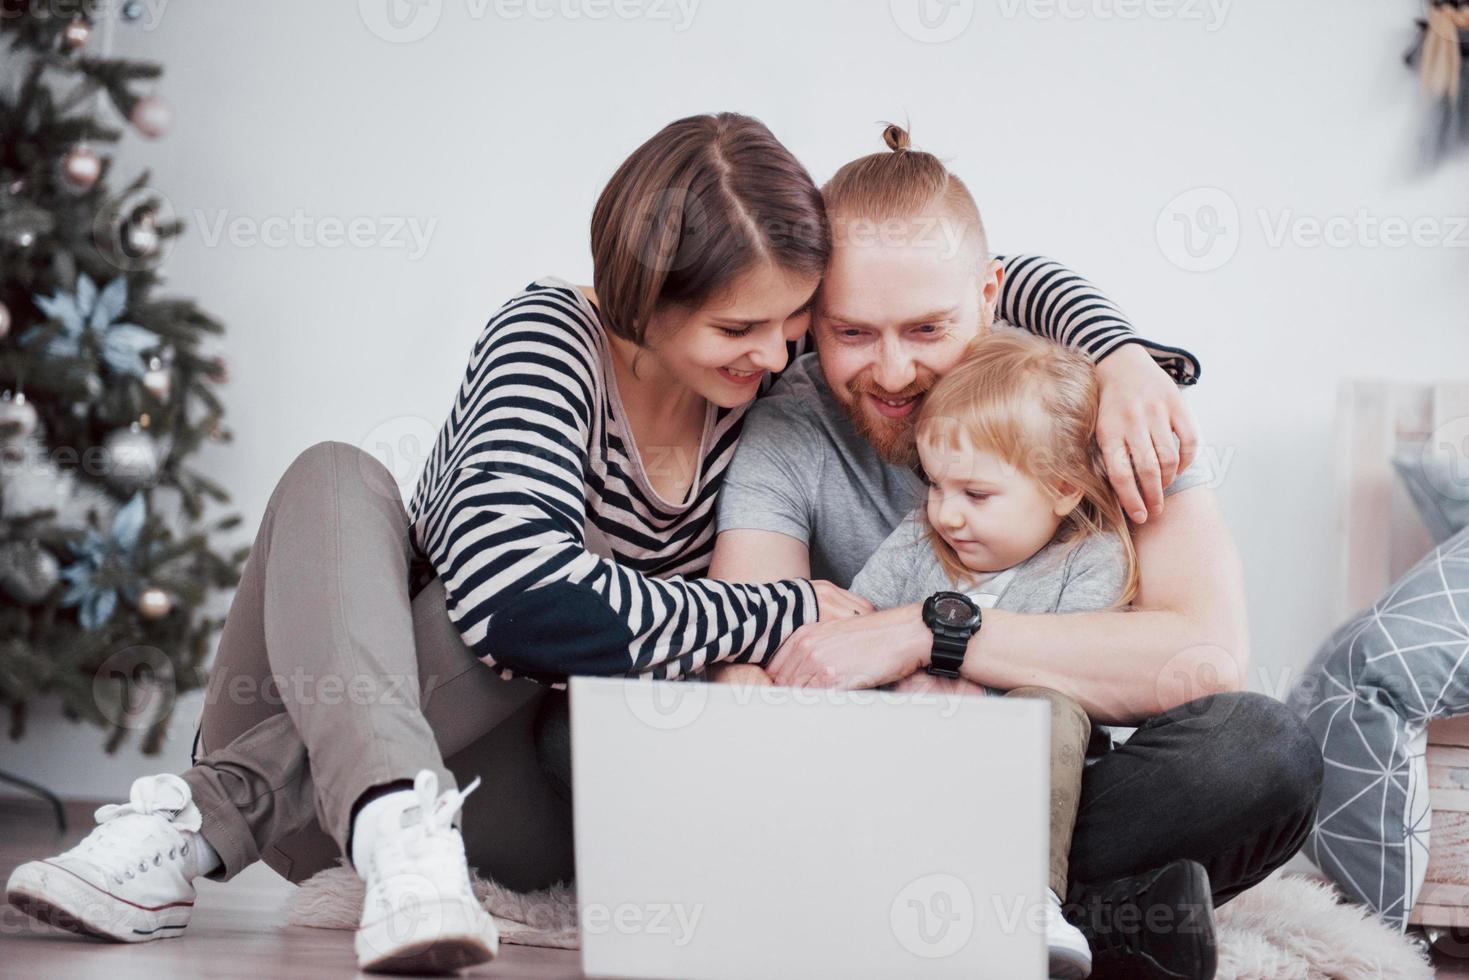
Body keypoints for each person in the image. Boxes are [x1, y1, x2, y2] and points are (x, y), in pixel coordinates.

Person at [3, 113, 1175, 975]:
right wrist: (770, 610)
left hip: (494, 797)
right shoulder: (548, 338)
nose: (777, 357)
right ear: (638, 297)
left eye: (791, 325)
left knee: (538, 613)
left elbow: (997, 286)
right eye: (738, 328)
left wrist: (1121, 353)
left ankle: (198, 823)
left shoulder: (765, 395)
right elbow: (518, 599)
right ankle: (373, 819)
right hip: (341, 747)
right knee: (345, 481)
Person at [708, 124, 1324, 980]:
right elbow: (752, 652)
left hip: (1062, 781)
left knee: (1262, 751)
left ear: (989, 294)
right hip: (878, 773)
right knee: (602, 738)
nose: (890, 372)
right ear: (811, 317)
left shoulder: (1093, 405)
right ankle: (1098, 919)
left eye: (927, 328)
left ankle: (942, 906)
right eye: (851, 333)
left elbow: (1200, 655)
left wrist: (930, 630)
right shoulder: (787, 427)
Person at [841, 327, 1152, 978]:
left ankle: (1029, 899)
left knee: (1047, 706)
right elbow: (858, 628)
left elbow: (1071, 671)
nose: (946, 514)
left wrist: (968, 682)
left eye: (975, 495)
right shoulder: (918, 539)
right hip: (902, 768)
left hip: (1026, 790)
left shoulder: (1088, 558)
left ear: (1063, 489)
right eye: (933, 484)